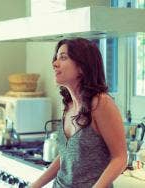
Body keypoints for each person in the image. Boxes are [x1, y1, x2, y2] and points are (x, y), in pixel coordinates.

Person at [31, 38, 127, 188]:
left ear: (82, 67)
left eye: (63, 57)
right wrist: (35, 185)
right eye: (56, 58)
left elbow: (120, 158)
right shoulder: (69, 105)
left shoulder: (101, 103)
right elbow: (65, 156)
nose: (55, 64)